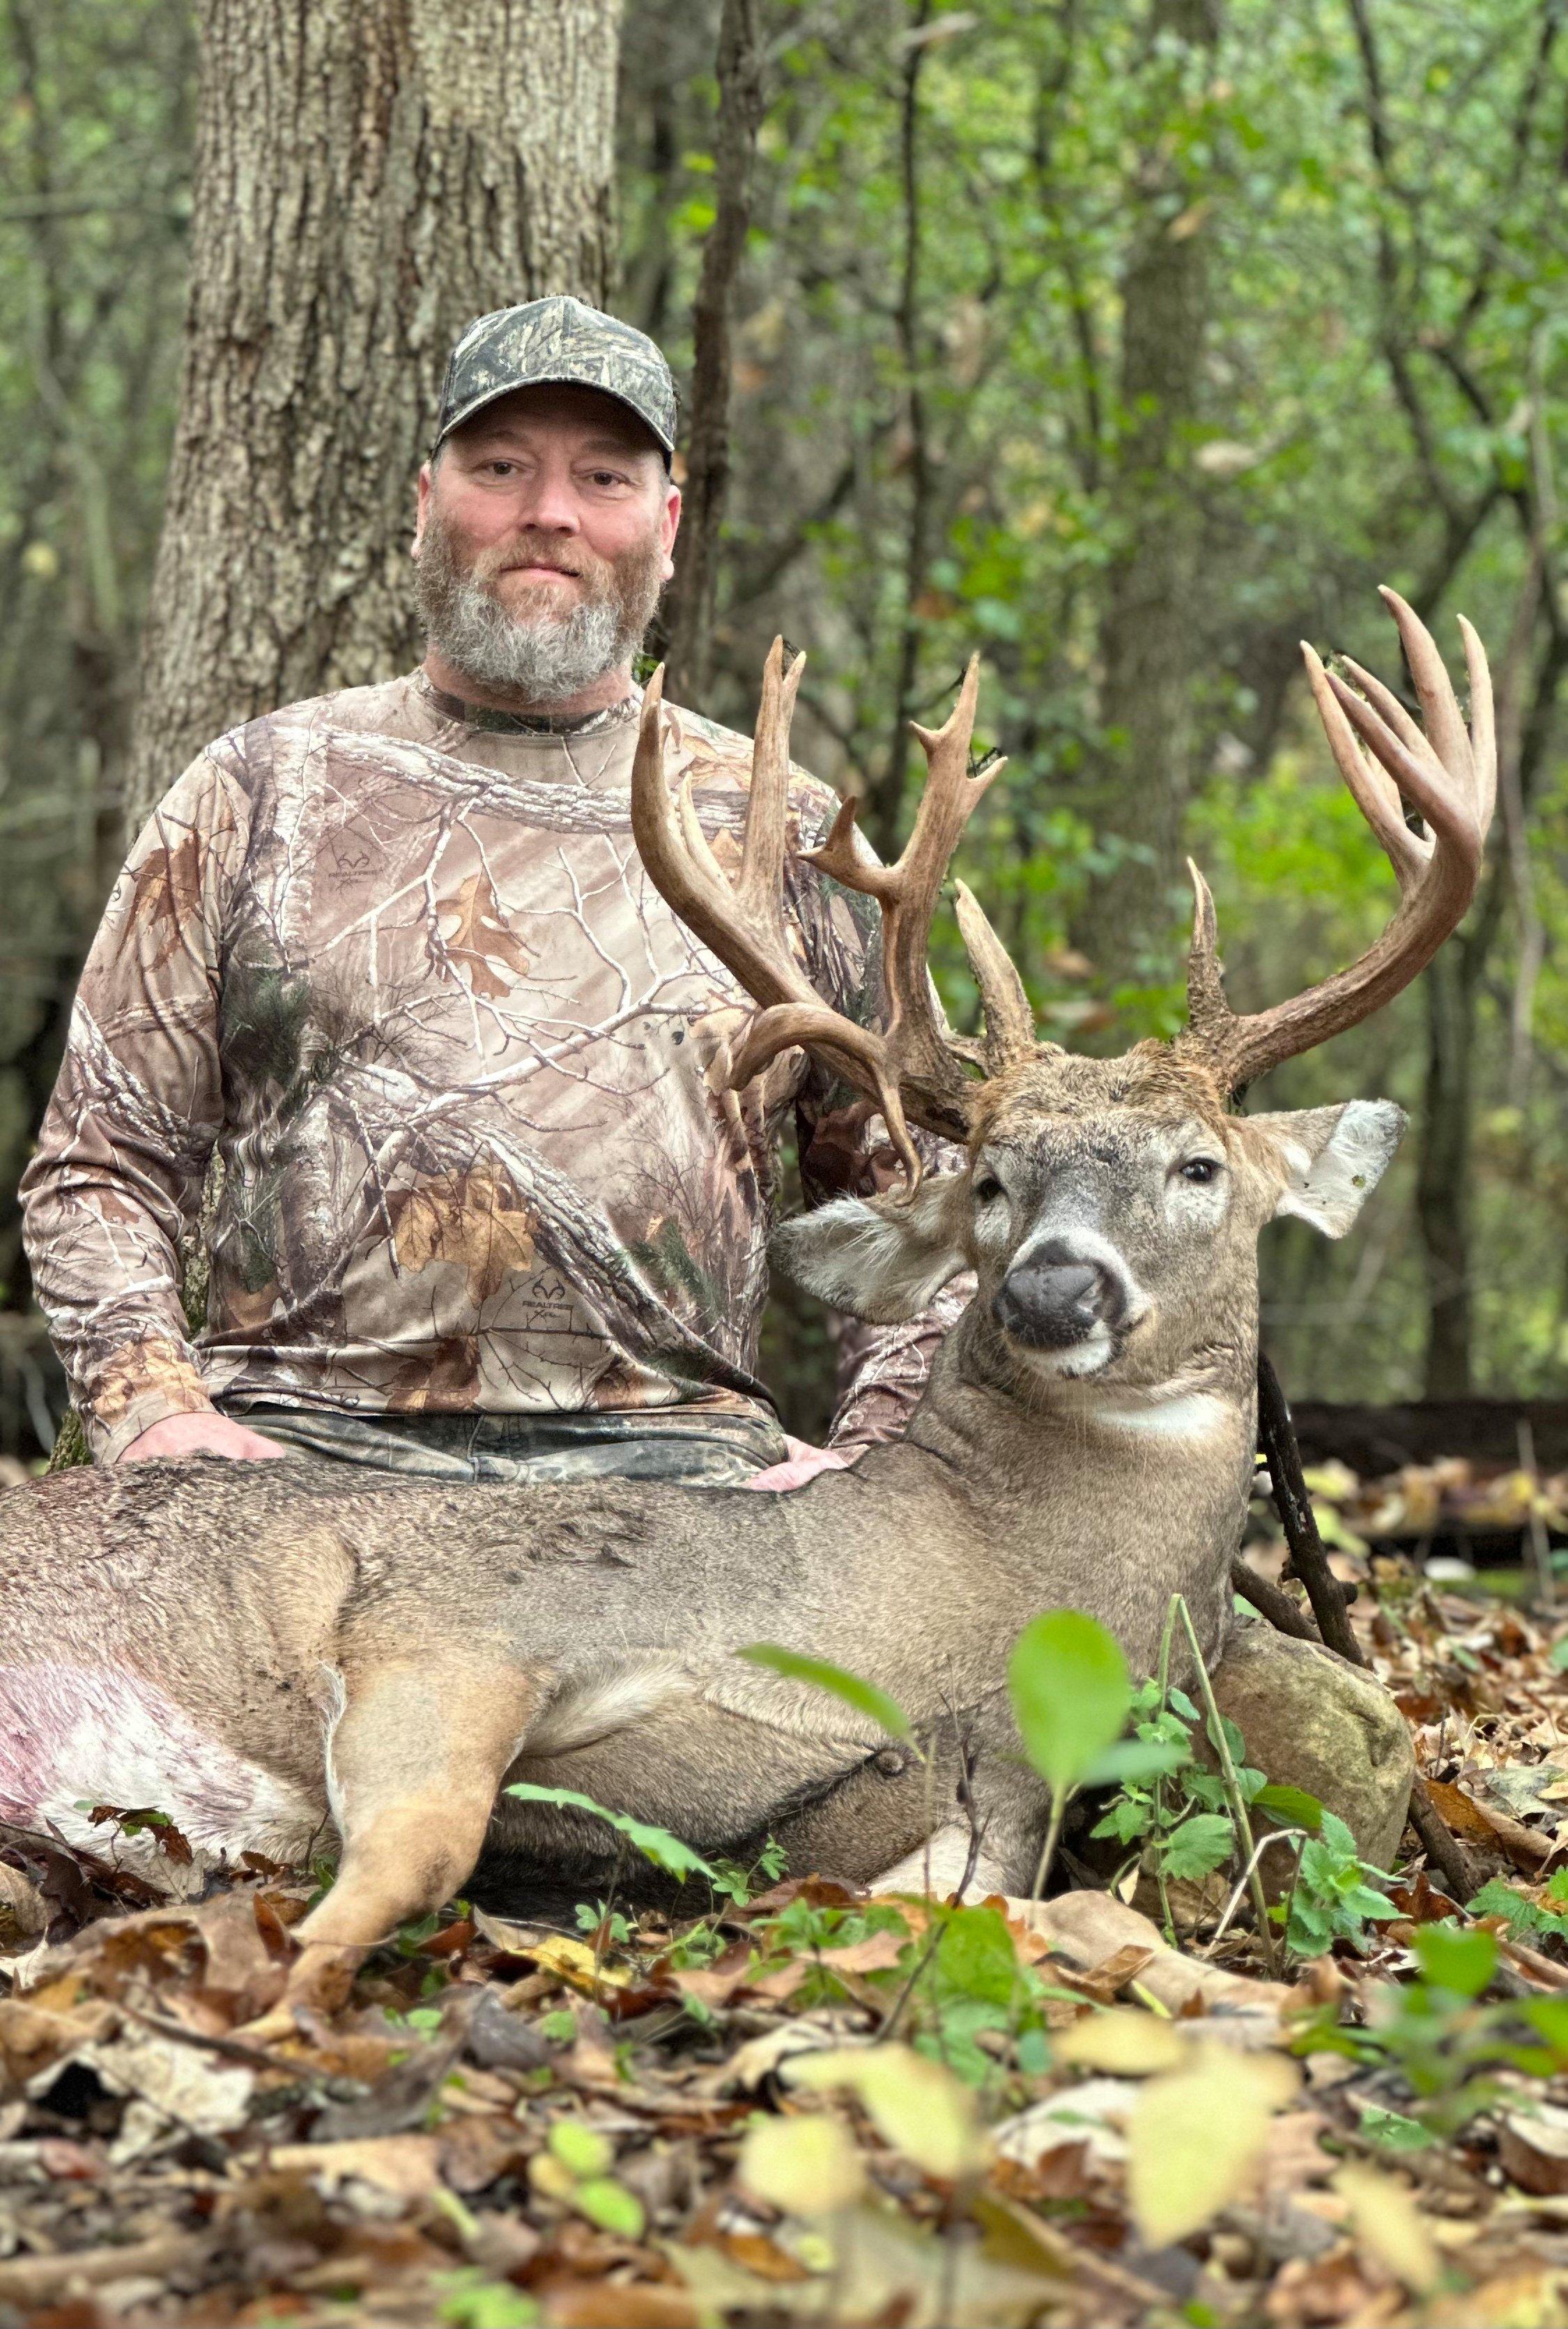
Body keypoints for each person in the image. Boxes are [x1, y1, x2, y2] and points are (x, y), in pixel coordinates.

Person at [21, 298, 963, 1491]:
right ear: (427, 502)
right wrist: (151, 1411)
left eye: (604, 476)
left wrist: (876, 1481)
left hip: (678, 1481)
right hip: (299, 1468)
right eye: (501, 466)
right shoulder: (259, 787)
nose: (549, 512)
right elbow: (100, 1162)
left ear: (666, 526)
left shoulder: (786, 828)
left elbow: (923, 1208)